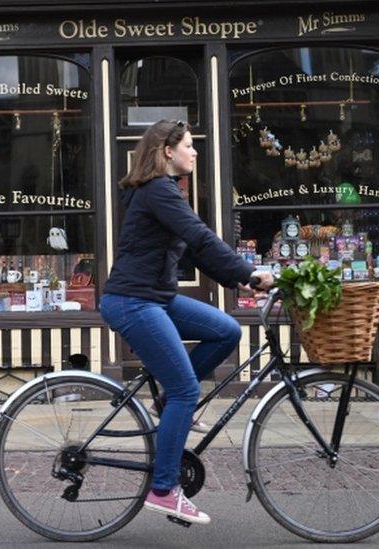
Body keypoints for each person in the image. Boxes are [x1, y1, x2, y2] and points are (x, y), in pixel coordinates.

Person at [100, 119, 274, 525]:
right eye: (189, 145)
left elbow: (197, 253)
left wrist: (241, 278)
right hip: (132, 302)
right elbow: (199, 236)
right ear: (167, 151)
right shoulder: (159, 190)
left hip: (155, 299)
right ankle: (163, 489)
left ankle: (167, 403)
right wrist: (248, 273)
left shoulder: (164, 193)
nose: (194, 152)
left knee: (226, 330)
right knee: (185, 388)